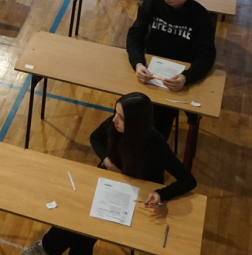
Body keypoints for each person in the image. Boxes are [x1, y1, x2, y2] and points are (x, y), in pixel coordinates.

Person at [20, 92, 197, 255]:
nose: (114, 120)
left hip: (133, 195)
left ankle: (45, 249)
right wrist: (106, 161)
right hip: (107, 181)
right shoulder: (114, 126)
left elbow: (188, 180)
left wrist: (160, 194)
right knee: (76, 217)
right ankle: (46, 248)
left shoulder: (156, 143)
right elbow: (95, 138)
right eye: (115, 113)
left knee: (85, 225)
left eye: (121, 117)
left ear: (136, 123)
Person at [126, 0, 217, 137]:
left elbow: (207, 55)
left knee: (160, 121)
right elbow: (135, 36)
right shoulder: (152, 4)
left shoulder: (201, 17)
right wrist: (137, 63)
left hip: (176, 77)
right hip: (149, 68)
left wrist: (187, 77)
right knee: (127, 110)